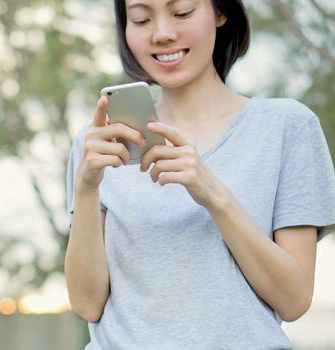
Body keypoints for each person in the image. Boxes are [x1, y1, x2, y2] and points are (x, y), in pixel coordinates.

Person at [63, 0, 335, 348]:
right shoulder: (100, 141)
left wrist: (212, 193)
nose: (162, 34)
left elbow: (293, 300)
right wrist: (86, 186)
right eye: (141, 18)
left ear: (221, 12)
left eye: (182, 13)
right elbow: (87, 304)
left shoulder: (287, 127)